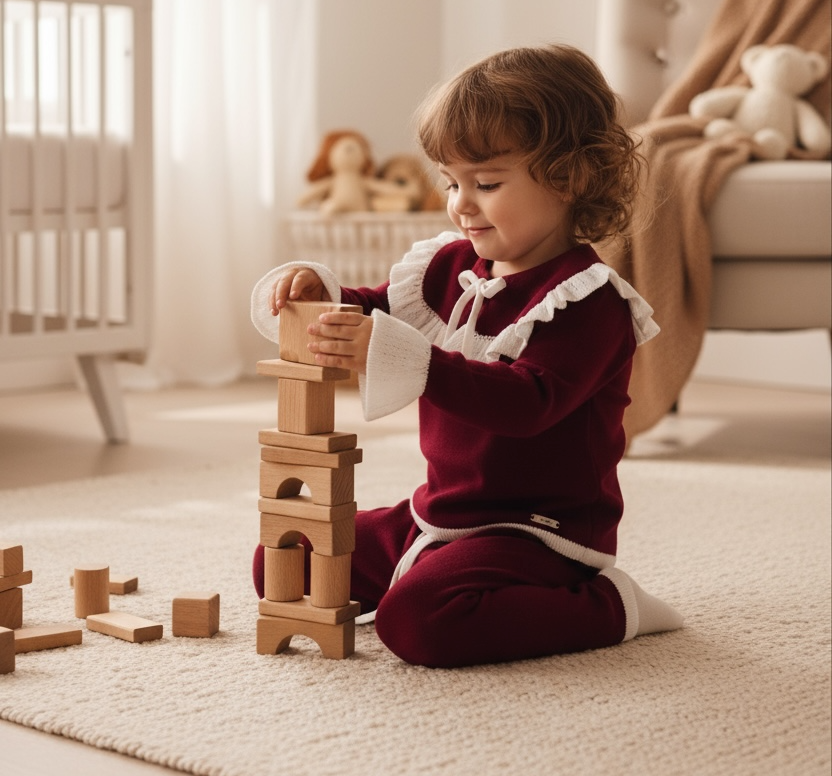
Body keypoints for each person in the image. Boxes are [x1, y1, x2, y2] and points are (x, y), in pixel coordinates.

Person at [251, 45, 683, 668]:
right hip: (441, 512)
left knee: (419, 624)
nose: (461, 203)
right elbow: (375, 307)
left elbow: (525, 403)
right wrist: (324, 296)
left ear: (571, 178)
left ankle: (613, 606)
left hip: (539, 532)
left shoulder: (591, 302)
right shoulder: (452, 264)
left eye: (486, 183)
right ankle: (430, 565)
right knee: (283, 558)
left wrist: (413, 358)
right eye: (452, 182)